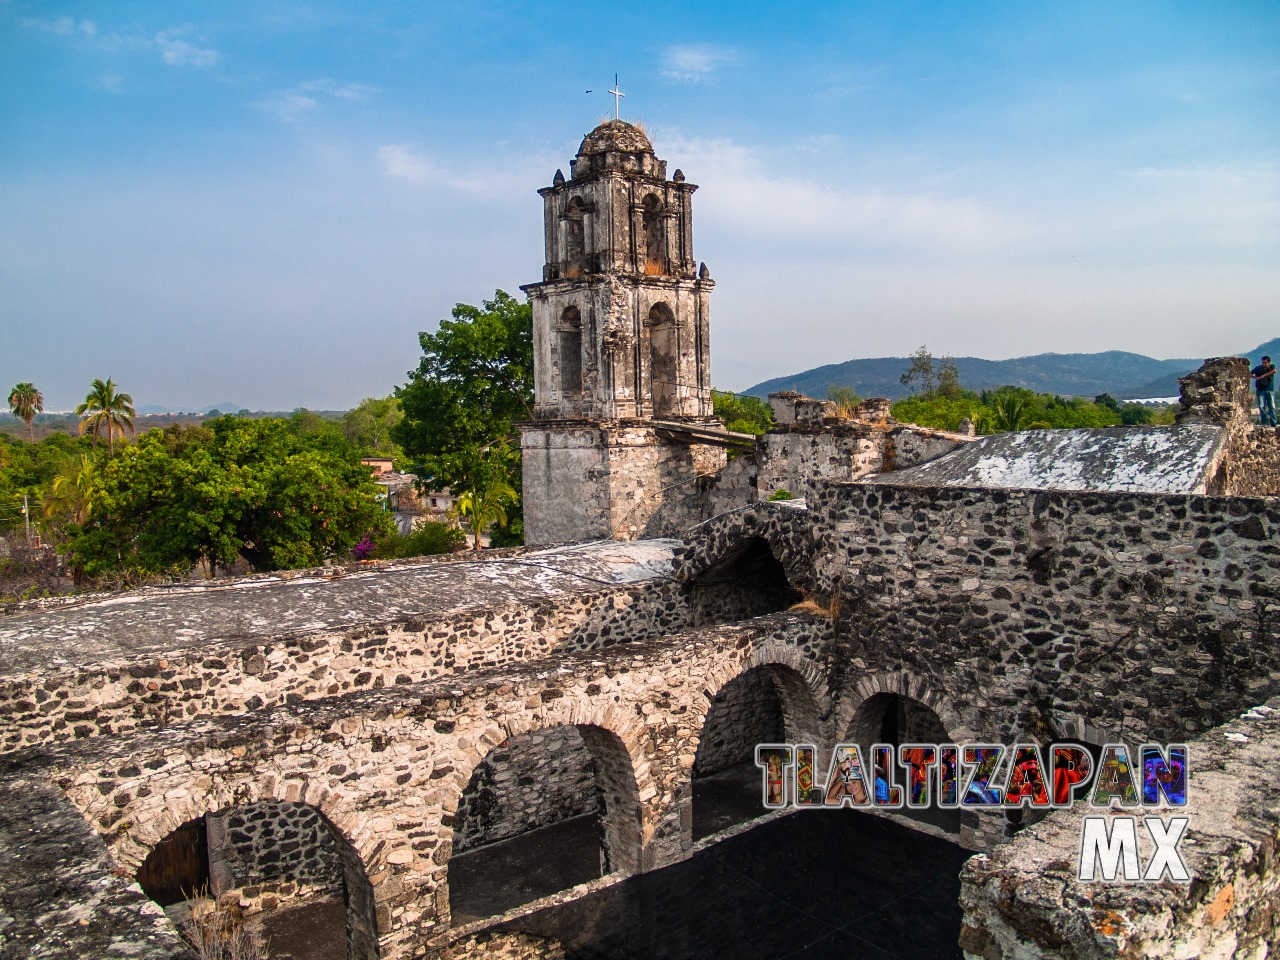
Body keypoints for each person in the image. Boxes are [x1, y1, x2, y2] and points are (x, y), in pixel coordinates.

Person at [1253, 355, 1277, 427]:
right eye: (1263, 363)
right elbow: (1251, 373)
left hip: (1270, 390)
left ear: (1268, 363)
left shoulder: (1272, 366)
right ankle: (1265, 422)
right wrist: (1256, 377)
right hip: (1260, 390)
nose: (1263, 364)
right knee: (1261, 406)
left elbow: (1274, 371)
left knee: (1272, 407)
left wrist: (1263, 376)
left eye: (1265, 363)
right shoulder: (1258, 368)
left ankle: (1273, 423)